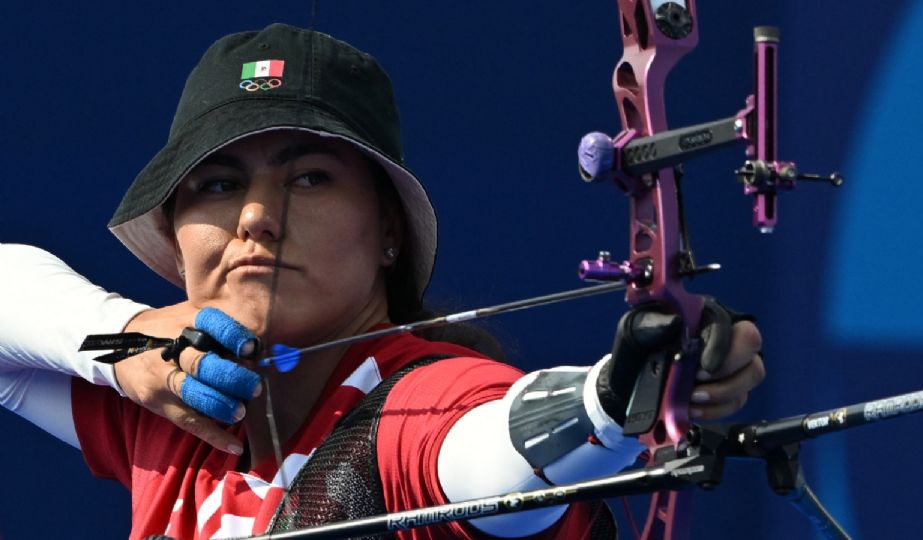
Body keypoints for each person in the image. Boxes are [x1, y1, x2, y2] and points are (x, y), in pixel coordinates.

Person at [0, 23, 764, 539]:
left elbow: (486, 452)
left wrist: (613, 394)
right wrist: (124, 340)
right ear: (175, 233)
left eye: (309, 178)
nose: (257, 218)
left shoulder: (418, 401)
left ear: (389, 231)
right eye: (219, 184)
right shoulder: (165, 411)